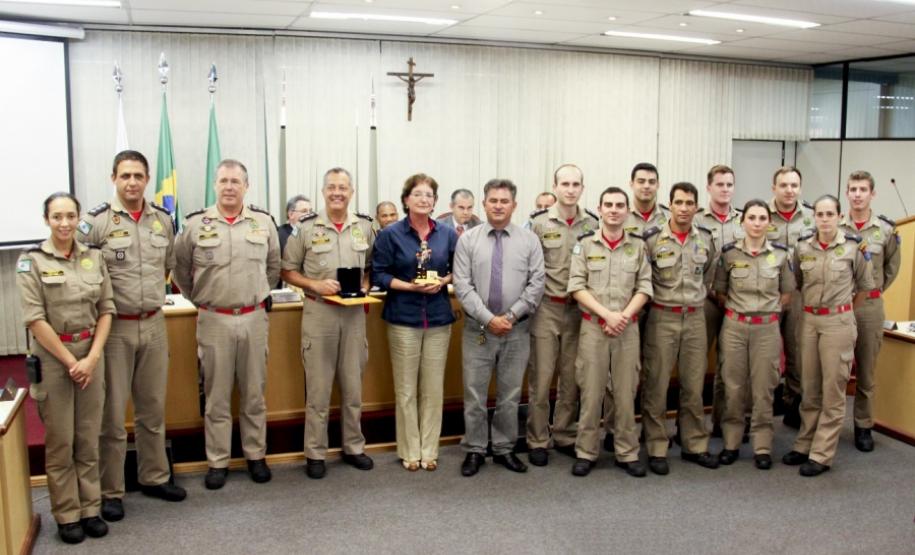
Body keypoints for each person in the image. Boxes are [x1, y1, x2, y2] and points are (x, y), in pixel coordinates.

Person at [77, 150, 186, 523]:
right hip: (115, 329)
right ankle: (111, 491)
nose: (132, 182)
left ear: (148, 178)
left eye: (139, 175)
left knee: (153, 407)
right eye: (125, 176)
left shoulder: (162, 221)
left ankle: (154, 476)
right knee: (112, 414)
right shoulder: (96, 224)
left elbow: (169, 266)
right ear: (114, 179)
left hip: (154, 323)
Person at [173, 159, 281, 490]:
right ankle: (217, 460)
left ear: (246, 186)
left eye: (236, 181)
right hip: (213, 318)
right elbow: (180, 269)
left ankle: (255, 456)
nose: (230, 186)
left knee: (253, 393)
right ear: (215, 185)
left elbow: (273, 266)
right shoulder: (195, 224)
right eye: (224, 181)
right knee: (216, 394)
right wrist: (205, 300)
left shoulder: (263, 222)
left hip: (253, 316)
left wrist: (254, 296)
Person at [17, 192, 115, 544]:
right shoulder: (32, 262)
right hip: (53, 357)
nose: (64, 223)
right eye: (57, 216)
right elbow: (34, 319)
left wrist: (91, 358)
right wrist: (72, 361)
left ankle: (91, 508)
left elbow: (107, 309)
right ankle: (67, 514)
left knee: (88, 438)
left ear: (78, 219)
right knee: (61, 442)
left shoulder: (94, 257)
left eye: (70, 216)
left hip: (91, 353)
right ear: (46, 219)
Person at [281, 167, 376, 480]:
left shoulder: (364, 225)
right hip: (319, 313)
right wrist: (314, 284)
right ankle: (315, 452)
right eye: (332, 187)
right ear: (323, 192)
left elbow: (371, 267)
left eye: (343, 188)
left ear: (352, 192)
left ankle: (353, 446)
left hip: (353, 315)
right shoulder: (306, 228)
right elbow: (287, 270)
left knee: (353, 386)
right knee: (319, 389)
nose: (338, 193)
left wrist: (365, 284)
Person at [454, 179, 544, 476]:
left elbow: (536, 284)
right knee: (474, 393)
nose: (498, 205)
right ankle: (475, 449)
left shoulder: (529, 241)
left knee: (510, 393)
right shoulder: (468, 240)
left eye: (504, 201)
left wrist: (511, 315)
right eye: (493, 200)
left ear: (514, 205)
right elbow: (462, 285)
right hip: (478, 330)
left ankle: (505, 448)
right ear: (484, 203)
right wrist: (488, 318)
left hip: (516, 330)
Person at [782, 195, 873, 476]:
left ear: (838, 215)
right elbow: (796, 283)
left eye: (829, 214)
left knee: (833, 390)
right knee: (809, 387)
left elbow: (864, 289)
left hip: (838, 322)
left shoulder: (853, 247)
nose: (824, 219)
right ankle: (804, 443)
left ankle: (821, 454)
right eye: (819, 214)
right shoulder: (802, 247)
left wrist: (841, 313)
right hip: (809, 321)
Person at [371, 174, 458, 471]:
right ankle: (410, 451)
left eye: (429, 195)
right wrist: (409, 287)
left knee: (433, 389)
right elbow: (379, 274)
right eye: (418, 194)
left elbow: (458, 269)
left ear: (435, 201)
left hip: (438, 318)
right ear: (406, 199)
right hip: (403, 317)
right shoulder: (390, 234)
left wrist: (443, 280)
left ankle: (430, 451)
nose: (424, 199)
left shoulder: (446, 234)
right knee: (406, 390)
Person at [567, 187, 651, 477]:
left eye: (619, 205)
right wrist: (606, 315)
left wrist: (623, 317)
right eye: (608, 205)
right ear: (599, 209)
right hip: (594, 328)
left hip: (627, 330)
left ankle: (626, 452)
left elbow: (644, 287)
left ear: (627, 211)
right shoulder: (584, 245)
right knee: (591, 392)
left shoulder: (638, 246)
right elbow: (576, 285)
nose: (614, 210)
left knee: (626, 393)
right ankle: (586, 451)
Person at [641, 182, 719, 475]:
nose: (684, 208)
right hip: (662, 317)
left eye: (689, 203)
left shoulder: (706, 239)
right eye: (679, 202)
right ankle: (657, 446)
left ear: (697, 207)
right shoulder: (651, 239)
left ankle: (695, 444)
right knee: (657, 385)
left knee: (694, 386)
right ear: (669, 205)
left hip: (696, 317)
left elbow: (709, 274)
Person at [526, 164, 598, 466]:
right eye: (565, 183)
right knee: (541, 379)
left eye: (576, 184)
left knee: (572, 378)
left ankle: (565, 434)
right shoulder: (538, 224)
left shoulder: (593, 224)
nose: (570, 189)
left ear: (582, 188)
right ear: (555, 187)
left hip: (580, 311)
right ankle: (537, 438)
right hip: (547, 307)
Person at [713, 200, 794, 470]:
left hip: (766, 328)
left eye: (762, 218)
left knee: (763, 388)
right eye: (752, 217)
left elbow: (786, 294)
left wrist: (764, 312)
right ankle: (732, 442)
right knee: (733, 387)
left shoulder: (782, 255)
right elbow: (720, 291)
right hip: (735, 326)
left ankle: (761, 445)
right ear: (742, 221)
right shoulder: (729, 254)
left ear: (769, 223)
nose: (757, 223)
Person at [602, 162, 671, 450]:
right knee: (615, 374)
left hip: (658, 307)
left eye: (651, 181)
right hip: (621, 310)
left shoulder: (669, 217)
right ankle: (613, 429)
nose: (646, 185)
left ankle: (649, 432)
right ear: (632, 183)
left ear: (657, 185)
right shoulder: (616, 215)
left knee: (653, 372)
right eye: (640, 181)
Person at [840, 171, 900, 452]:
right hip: (838, 306)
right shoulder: (835, 226)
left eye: (863, 189)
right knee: (834, 370)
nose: (857, 194)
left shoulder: (885, 230)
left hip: (870, 307)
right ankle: (830, 427)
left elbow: (891, 269)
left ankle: (863, 426)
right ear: (847, 193)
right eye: (852, 189)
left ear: (872, 194)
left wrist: (870, 293)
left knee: (866, 370)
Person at [698, 165, 744, 437]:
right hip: (704, 301)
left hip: (735, 303)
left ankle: (722, 422)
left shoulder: (744, 221)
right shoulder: (696, 220)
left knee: (731, 366)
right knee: (696, 366)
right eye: (719, 184)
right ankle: (688, 425)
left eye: (729, 184)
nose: (725, 189)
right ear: (709, 187)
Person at [767, 166, 815, 429]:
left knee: (798, 352)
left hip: (799, 293)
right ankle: (767, 406)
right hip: (767, 294)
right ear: (773, 187)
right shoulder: (760, 214)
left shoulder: (812, 216)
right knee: (768, 354)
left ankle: (795, 407)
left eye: (794, 185)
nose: (789, 190)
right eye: (783, 185)